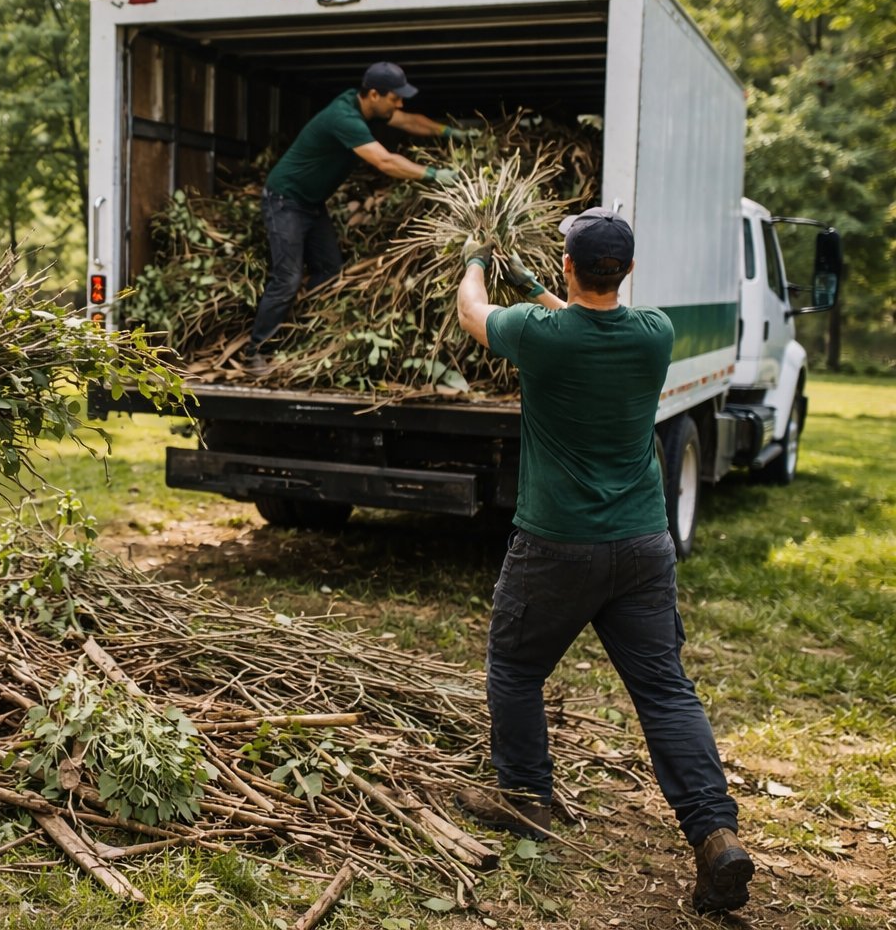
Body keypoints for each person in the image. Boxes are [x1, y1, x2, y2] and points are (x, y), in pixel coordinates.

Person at [451, 208, 754, 915]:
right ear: (629, 270)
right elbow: (590, 323)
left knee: (517, 667)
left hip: (555, 544)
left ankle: (525, 799)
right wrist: (539, 287)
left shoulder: (538, 337)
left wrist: (474, 260)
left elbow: (473, 314)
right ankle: (714, 832)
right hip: (645, 545)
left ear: (568, 267)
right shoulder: (655, 334)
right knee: (664, 690)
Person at [245, 60, 473, 374]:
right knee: (287, 279)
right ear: (375, 95)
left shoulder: (368, 107)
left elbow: (410, 121)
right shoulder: (344, 117)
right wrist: (435, 174)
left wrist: (451, 132)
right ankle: (257, 351)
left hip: (311, 204)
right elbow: (386, 162)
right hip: (285, 201)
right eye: (395, 97)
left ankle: (296, 328)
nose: (400, 103)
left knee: (330, 270)